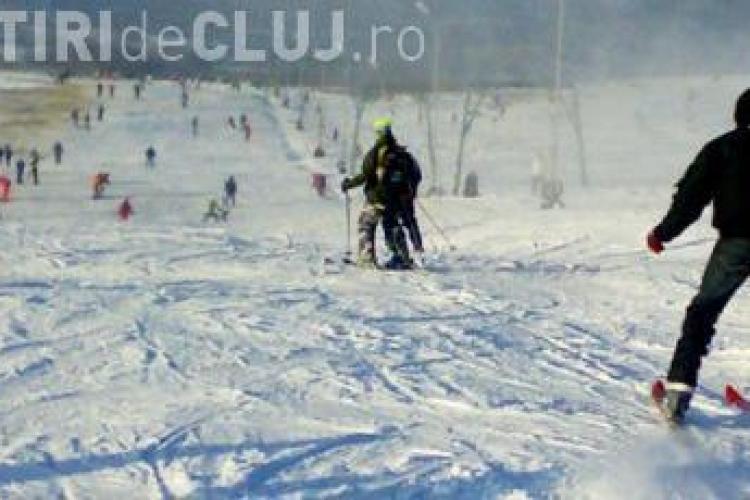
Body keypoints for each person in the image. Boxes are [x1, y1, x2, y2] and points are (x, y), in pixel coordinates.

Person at [647, 88, 750, 424]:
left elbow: (691, 197)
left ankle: (677, 394)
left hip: (737, 243)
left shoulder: (722, 148)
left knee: (702, 313)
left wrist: (663, 233)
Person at [341, 118, 413, 269]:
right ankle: (402, 257)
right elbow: (410, 175)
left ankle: (367, 258)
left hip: (377, 198)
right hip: (395, 199)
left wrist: (349, 184)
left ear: (379, 132)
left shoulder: (376, 152)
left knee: (366, 224)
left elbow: (366, 174)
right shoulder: (400, 152)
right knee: (391, 225)